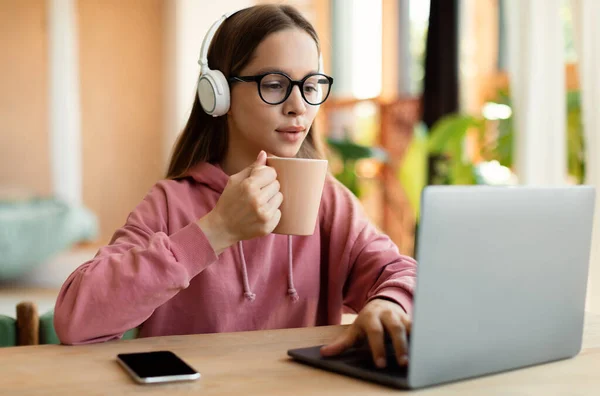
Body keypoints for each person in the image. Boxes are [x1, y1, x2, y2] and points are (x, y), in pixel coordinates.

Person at [54, 4, 417, 369]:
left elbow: (404, 273)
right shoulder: (170, 203)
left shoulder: (329, 201)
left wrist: (390, 303)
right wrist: (215, 230)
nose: (298, 106)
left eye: (309, 86)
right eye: (275, 84)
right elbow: (76, 320)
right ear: (219, 95)